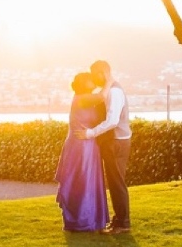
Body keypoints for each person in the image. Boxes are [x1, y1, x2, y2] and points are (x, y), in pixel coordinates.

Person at [80, 59, 131, 232]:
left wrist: (90, 133)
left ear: (104, 72)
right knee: (115, 181)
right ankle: (118, 220)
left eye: (95, 74)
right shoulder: (110, 89)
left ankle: (123, 223)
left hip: (115, 141)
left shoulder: (114, 92)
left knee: (117, 183)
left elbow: (112, 121)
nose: (94, 79)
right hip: (117, 140)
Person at [55, 71, 109, 232]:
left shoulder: (85, 98)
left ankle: (90, 218)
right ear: (84, 83)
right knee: (81, 180)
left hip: (88, 144)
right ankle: (80, 220)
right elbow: (102, 96)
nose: (93, 81)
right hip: (80, 146)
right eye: (90, 80)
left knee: (88, 181)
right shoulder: (82, 98)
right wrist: (108, 80)